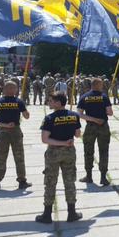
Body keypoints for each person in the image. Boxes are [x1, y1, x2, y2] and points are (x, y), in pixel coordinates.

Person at [35, 91, 83, 223]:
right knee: (70, 181)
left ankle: (47, 214)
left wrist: (60, 142)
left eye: (51, 101)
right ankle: (71, 213)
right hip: (69, 152)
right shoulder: (74, 116)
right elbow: (78, 134)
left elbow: (45, 139)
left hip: (53, 153)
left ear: (58, 103)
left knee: (50, 182)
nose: (49, 103)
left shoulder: (49, 118)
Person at [0, 81, 31, 191]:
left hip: (3, 131)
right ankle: (22, 181)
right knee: (19, 157)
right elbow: (26, 116)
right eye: (15, 88)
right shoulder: (19, 102)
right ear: (14, 90)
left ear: (4, 90)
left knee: (0, 158)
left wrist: (4, 125)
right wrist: (24, 108)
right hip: (15, 131)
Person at [77, 78, 113, 186]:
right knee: (104, 151)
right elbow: (110, 113)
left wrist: (92, 119)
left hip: (90, 127)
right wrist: (99, 118)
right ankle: (103, 178)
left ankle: (89, 176)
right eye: (101, 84)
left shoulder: (84, 97)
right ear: (98, 85)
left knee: (88, 151)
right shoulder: (104, 97)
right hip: (103, 126)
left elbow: (79, 114)